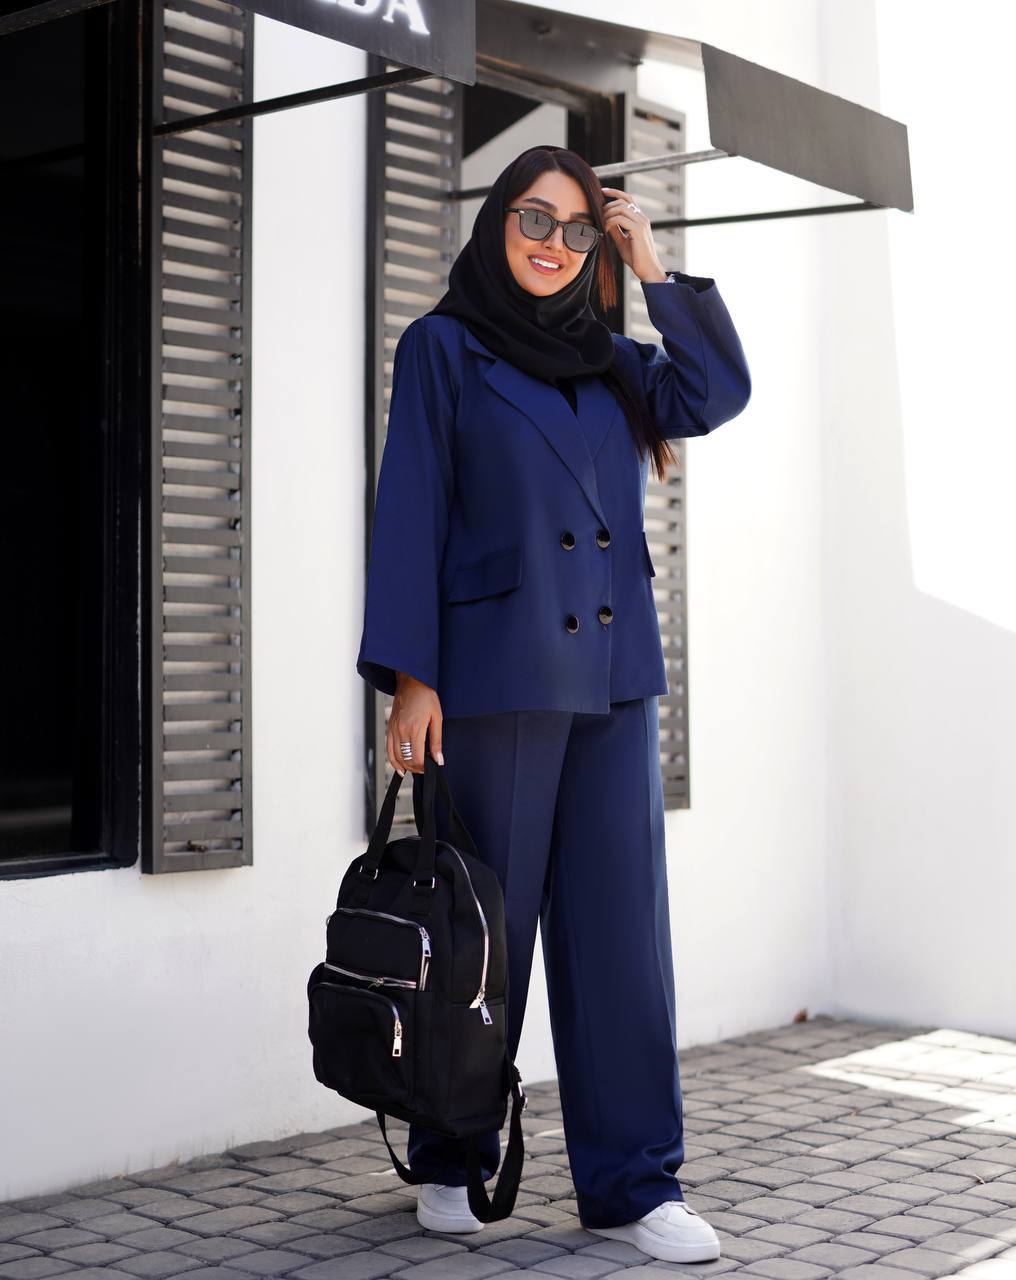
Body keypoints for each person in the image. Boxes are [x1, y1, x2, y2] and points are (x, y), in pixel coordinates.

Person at [355, 143, 751, 1264]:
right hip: (495, 677)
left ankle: (634, 1182)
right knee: (485, 933)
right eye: (535, 218)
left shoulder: (612, 358)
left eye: (579, 229)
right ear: (497, 221)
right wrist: (413, 676)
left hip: (615, 680)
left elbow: (715, 392)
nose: (553, 244)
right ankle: (451, 1153)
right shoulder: (442, 347)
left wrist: (651, 263)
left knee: (622, 939)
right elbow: (412, 507)